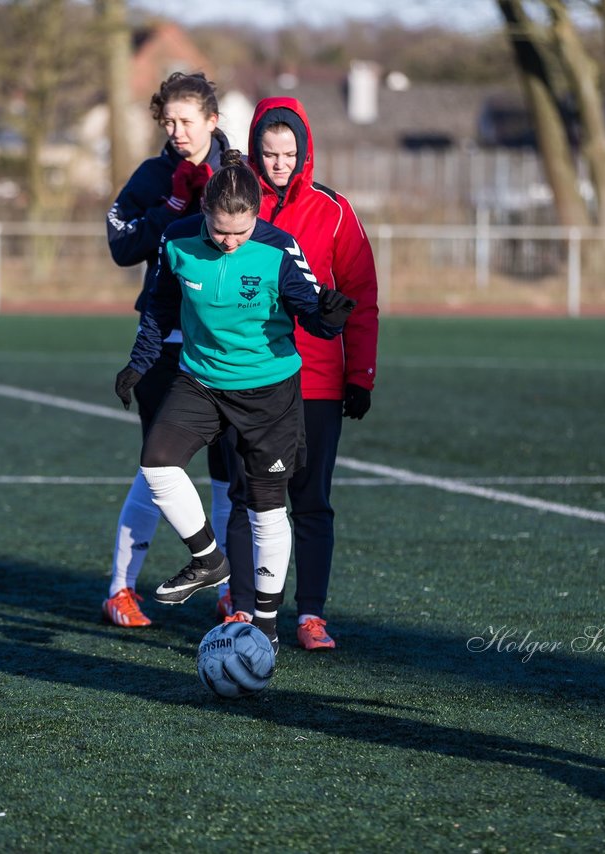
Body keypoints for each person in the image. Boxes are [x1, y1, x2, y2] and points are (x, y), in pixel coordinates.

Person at [113, 151, 356, 651]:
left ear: (255, 218)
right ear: (204, 213)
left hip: (269, 392)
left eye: (241, 232)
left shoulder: (279, 248)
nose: (230, 241)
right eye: (221, 231)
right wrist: (139, 362)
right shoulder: (176, 239)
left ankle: (265, 622)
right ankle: (208, 559)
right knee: (157, 462)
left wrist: (328, 318)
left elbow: (309, 312)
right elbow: (159, 305)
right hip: (200, 381)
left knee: (267, 509)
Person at [216, 97, 380, 651]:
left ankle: (310, 615)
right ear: (256, 149)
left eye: (288, 153)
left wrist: (360, 373)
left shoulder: (333, 210)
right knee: (247, 493)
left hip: (316, 383)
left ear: (304, 151)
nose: (279, 162)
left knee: (311, 500)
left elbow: (361, 296)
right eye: (269, 152)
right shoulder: (234, 201)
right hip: (248, 377)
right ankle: (242, 609)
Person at [102, 72, 233, 628]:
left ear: (212, 120)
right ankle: (120, 590)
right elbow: (121, 245)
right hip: (166, 346)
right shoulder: (153, 175)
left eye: (187, 120)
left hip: (229, 347)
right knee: (156, 470)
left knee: (231, 475)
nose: (177, 131)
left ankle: (232, 592)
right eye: (169, 121)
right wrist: (172, 205)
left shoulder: (239, 175)